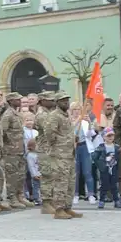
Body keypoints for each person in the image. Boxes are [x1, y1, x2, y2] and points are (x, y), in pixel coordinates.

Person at [45, 92, 84, 220]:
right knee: (60, 182)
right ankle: (59, 209)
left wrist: (73, 138)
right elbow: (50, 134)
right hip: (59, 154)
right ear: (57, 103)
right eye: (63, 101)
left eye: (67, 101)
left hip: (69, 153)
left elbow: (66, 132)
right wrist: (59, 145)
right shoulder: (54, 116)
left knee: (70, 182)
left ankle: (67, 207)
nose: (66, 103)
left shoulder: (65, 115)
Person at [93, 128, 121, 209]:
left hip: (114, 169)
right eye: (108, 136)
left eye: (112, 135)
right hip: (105, 169)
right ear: (104, 137)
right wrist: (100, 165)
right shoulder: (101, 147)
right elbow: (94, 157)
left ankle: (116, 200)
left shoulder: (117, 147)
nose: (110, 137)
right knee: (104, 185)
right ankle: (102, 200)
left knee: (114, 185)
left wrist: (118, 167)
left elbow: (120, 158)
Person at [25, 139, 42, 205]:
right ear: (33, 147)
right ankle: (36, 199)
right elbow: (31, 166)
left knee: (39, 186)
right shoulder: (30, 156)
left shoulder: (36, 154)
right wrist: (34, 175)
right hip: (35, 174)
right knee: (36, 186)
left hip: (39, 173)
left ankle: (39, 198)